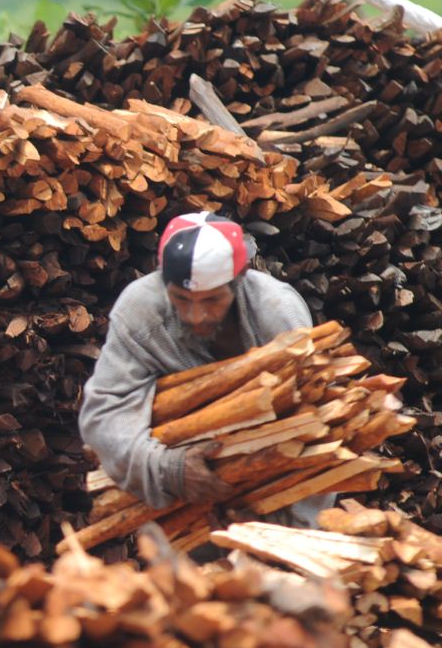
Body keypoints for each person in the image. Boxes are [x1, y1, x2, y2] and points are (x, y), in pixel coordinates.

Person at [79, 211, 329, 526]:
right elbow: (105, 415)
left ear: (239, 282)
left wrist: (279, 519)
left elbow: (312, 422)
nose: (196, 316)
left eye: (212, 300)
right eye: (181, 299)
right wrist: (167, 469)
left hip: (276, 484)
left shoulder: (278, 312)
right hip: (184, 509)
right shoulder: (139, 311)